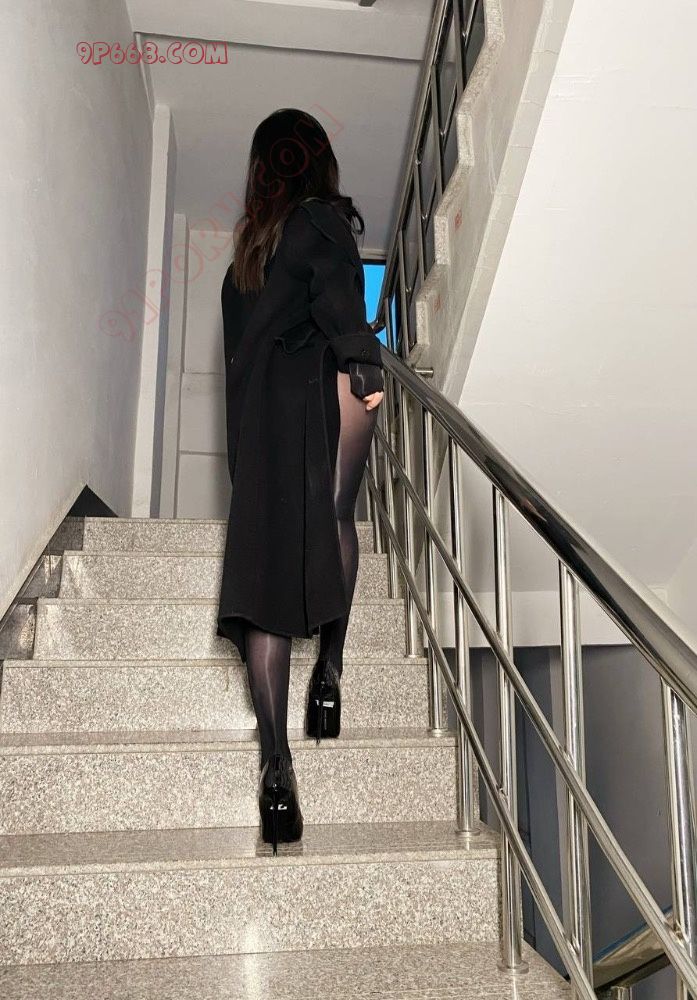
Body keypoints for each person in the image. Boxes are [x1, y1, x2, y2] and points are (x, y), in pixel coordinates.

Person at [216, 108, 385, 853]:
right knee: (339, 519)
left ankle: (276, 768)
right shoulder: (321, 219)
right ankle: (330, 673)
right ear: (317, 162)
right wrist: (362, 359)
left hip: (263, 416)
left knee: (266, 584)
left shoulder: (242, 262)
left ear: (260, 170)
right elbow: (337, 295)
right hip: (323, 383)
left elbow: (237, 363)